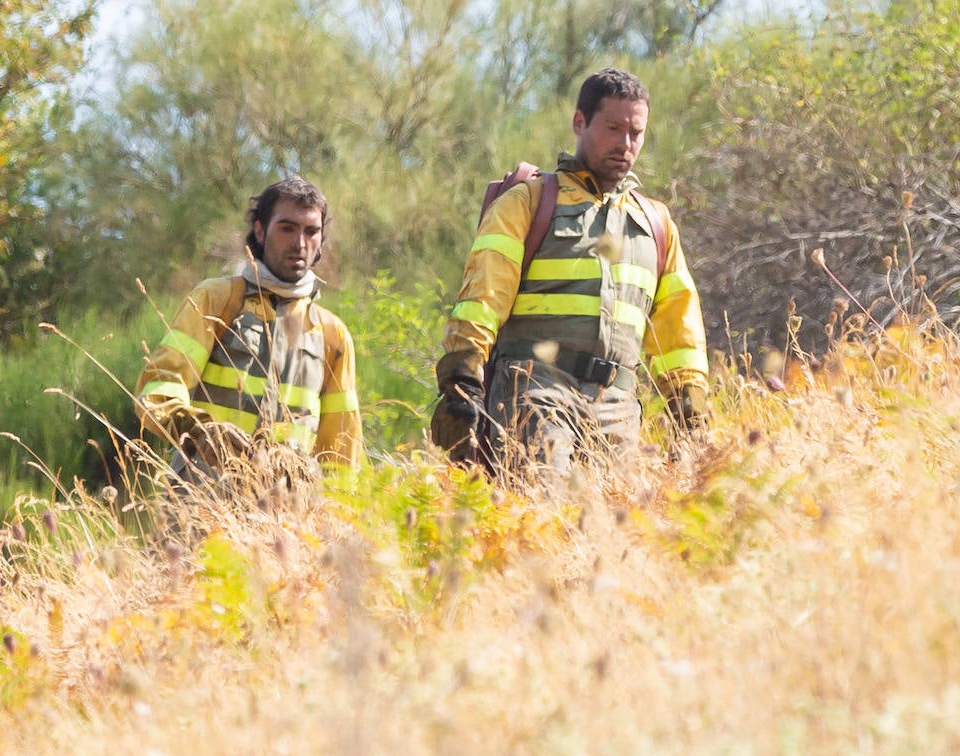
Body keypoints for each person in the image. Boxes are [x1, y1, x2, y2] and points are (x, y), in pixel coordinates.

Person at [429, 67, 709, 480]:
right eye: (613, 128)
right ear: (580, 122)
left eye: (636, 133)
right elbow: (483, 297)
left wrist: (689, 405)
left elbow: (678, 328)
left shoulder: (656, 224)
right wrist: (461, 379)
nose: (625, 144)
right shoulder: (529, 202)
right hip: (534, 392)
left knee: (604, 533)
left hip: (618, 408)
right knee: (540, 514)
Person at [135, 176, 362, 478]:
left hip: (288, 516)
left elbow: (341, 453)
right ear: (260, 229)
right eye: (287, 228)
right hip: (204, 502)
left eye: (311, 231)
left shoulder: (333, 333)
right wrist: (203, 433)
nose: (300, 243)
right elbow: (158, 390)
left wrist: (337, 518)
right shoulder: (217, 299)